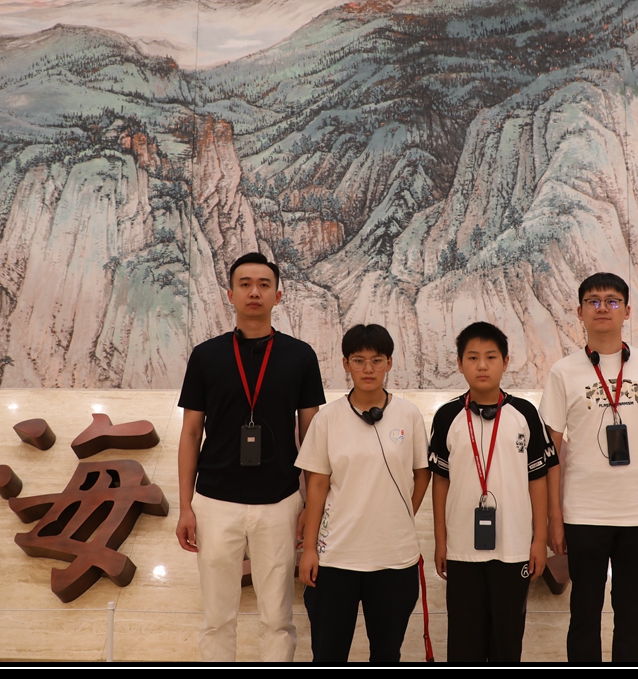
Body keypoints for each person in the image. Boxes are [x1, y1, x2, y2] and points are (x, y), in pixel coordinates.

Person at [175, 252, 325, 662]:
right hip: (214, 501)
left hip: (279, 502)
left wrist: (309, 507)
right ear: (230, 294)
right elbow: (191, 434)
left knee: (277, 617)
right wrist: (186, 506)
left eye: (263, 284)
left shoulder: (300, 356)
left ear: (278, 295)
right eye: (244, 284)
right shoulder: (206, 356)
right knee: (216, 617)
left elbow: (312, 437)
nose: (254, 292)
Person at [539, 272, 638, 664]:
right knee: (584, 616)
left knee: (632, 618)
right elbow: (551, 451)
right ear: (580, 312)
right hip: (583, 514)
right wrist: (554, 517)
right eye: (594, 301)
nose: (603, 308)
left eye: (612, 301)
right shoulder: (563, 372)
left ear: (627, 311)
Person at [296, 324, 431, 664]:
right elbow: (317, 485)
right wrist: (309, 549)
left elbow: (422, 474)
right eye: (358, 360)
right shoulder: (328, 419)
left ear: (389, 363)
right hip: (336, 557)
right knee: (328, 654)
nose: (368, 369)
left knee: (387, 654)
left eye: (377, 360)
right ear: (345, 364)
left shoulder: (409, 415)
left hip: (394, 558)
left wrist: (401, 514)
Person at [429, 321, 558, 663]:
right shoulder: (447, 416)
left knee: (507, 642)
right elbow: (440, 482)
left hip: (514, 548)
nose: (482, 365)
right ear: (460, 364)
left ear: (505, 361)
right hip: (461, 549)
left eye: (491, 357)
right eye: (472, 358)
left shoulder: (525, 414)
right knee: (463, 644)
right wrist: (441, 541)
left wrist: (539, 539)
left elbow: (538, 479)